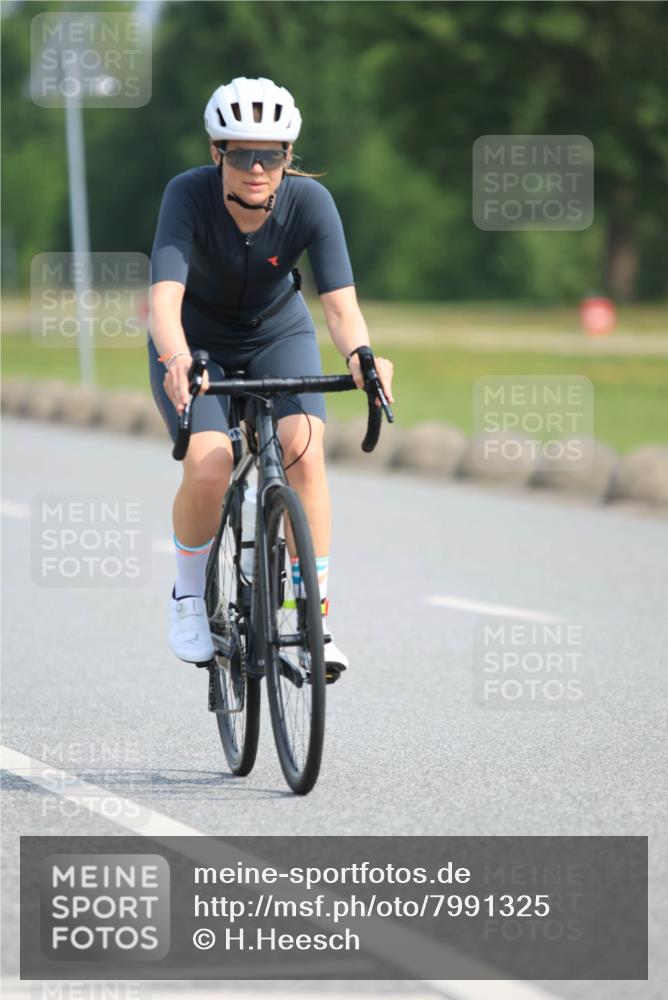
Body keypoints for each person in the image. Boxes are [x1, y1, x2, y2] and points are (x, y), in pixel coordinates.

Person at [148, 76, 394, 679]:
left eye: (271, 155)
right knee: (208, 463)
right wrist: (178, 359)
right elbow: (163, 301)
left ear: (288, 157)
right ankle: (186, 598)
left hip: (276, 333)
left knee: (305, 451)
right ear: (217, 155)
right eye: (240, 154)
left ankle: (312, 615)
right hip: (196, 341)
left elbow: (340, 307)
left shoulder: (311, 203)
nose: (256, 168)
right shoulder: (187, 195)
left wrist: (362, 355)